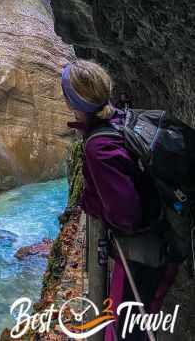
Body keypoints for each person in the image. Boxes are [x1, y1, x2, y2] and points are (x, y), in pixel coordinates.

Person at [60, 59, 180, 341]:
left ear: (71, 101)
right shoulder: (122, 119)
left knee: (128, 331)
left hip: (142, 254)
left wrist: (94, 205)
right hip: (164, 237)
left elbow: (126, 214)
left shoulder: (98, 146)